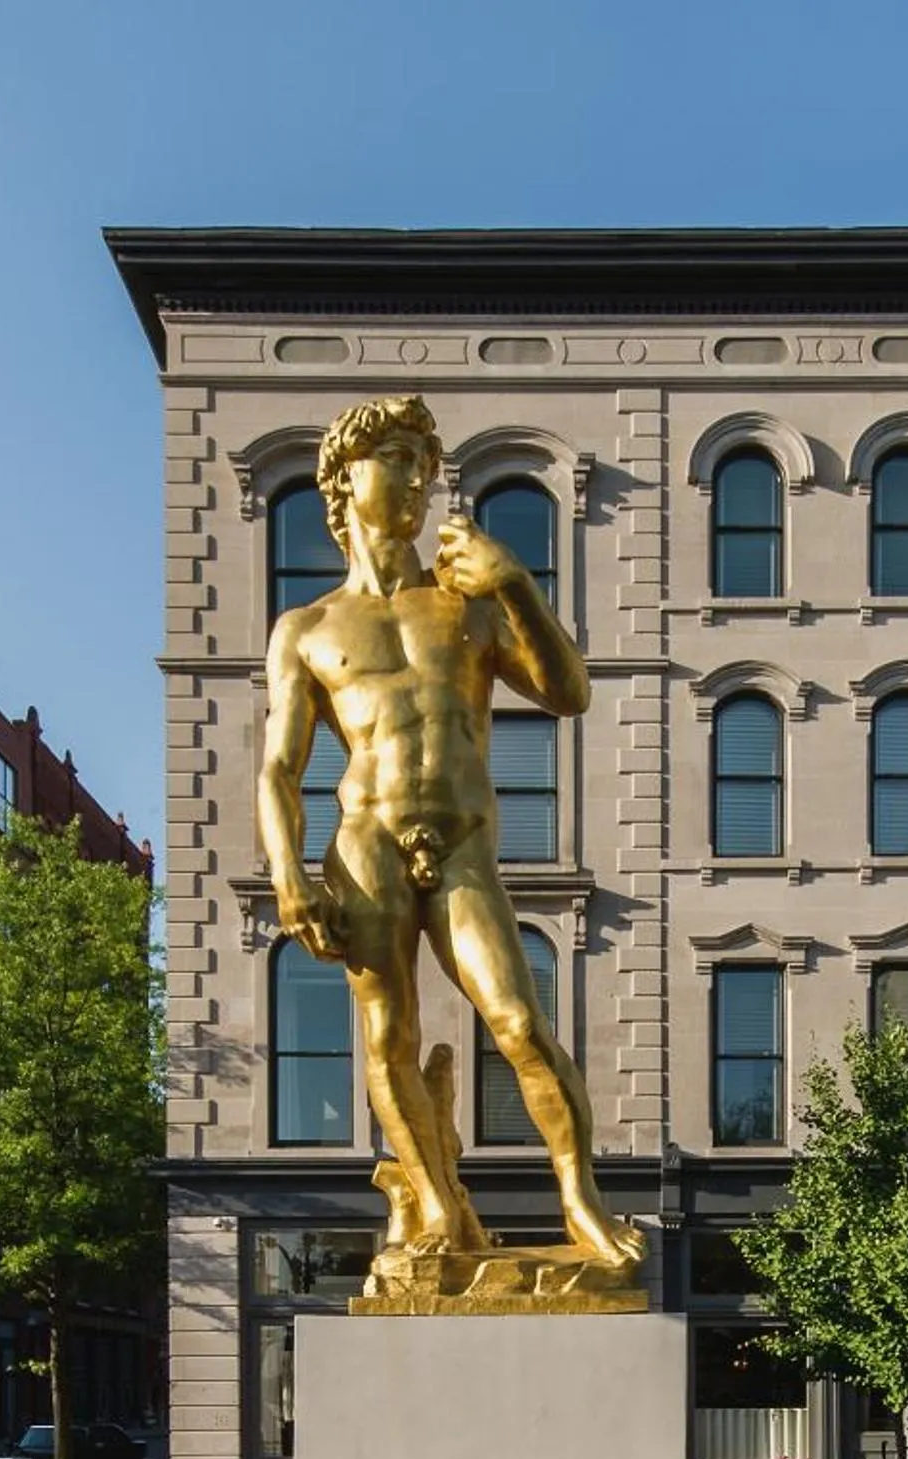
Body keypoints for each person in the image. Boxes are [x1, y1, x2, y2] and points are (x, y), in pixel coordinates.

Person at [258, 394, 642, 1278]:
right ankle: (433, 1200)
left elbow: (567, 691)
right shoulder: (307, 629)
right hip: (366, 843)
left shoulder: (463, 603)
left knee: (518, 1021)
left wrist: (513, 584)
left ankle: (580, 1199)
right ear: (344, 478)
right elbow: (279, 769)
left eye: (422, 462)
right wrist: (287, 871)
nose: (417, 476)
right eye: (395, 456)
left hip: (462, 845)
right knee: (388, 1033)